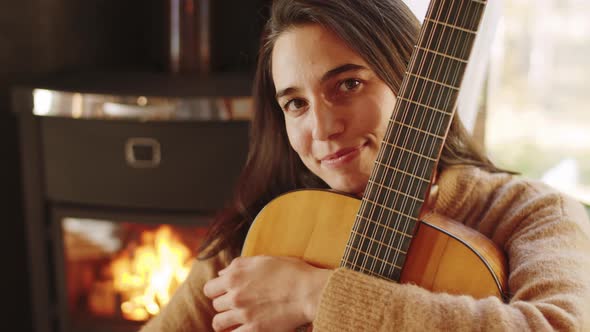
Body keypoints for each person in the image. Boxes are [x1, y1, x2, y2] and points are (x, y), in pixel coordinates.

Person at [140, 0, 590, 331]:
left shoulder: (535, 213)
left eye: (349, 84)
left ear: (411, 84)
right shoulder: (262, 231)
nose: (322, 127)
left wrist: (312, 294)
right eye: (296, 103)